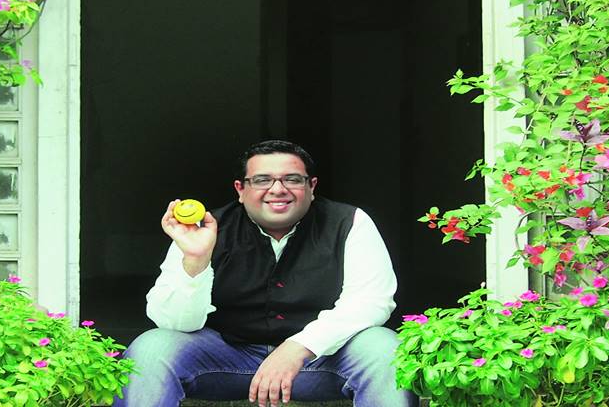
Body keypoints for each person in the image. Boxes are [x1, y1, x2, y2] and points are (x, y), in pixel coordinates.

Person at [113, 140, 418, 407]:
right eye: (262, 180)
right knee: (153, 348)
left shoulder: (349, 222)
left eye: (292, 179)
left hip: (319, 362)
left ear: (311, 187)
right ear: (240, 189)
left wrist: (298, 348)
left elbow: (370, 301)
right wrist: (196, 259)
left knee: (383, 347)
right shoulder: (202, 230)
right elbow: (175, 324)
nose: (278, 189)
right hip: (225, 361)